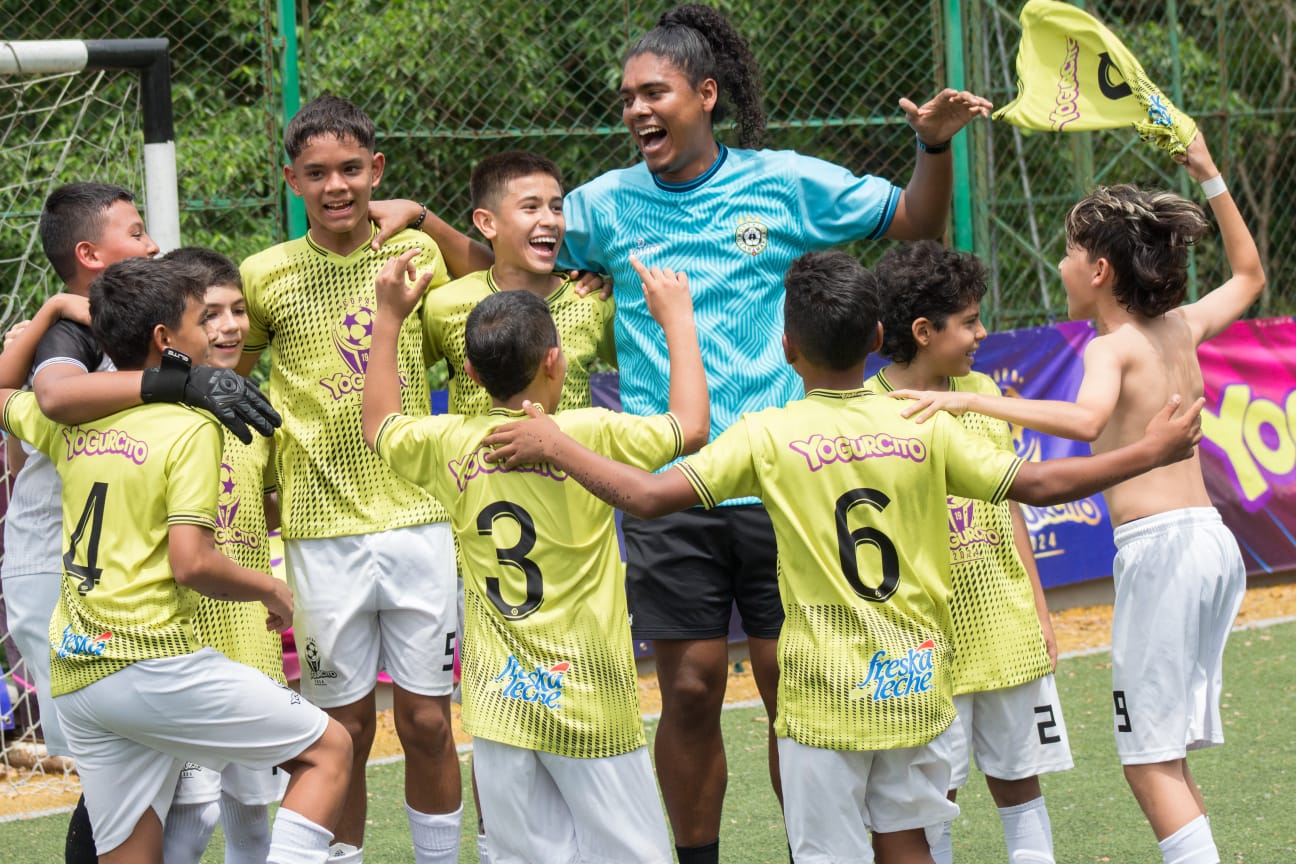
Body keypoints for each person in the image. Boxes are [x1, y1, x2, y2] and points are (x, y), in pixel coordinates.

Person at [369, 6, 993, 857]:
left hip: (784, 478)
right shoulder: (604, 204)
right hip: (668, 483)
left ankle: (818, 848)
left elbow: (914, 222)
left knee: (791, 685)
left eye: (653, 92)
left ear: (704, 95)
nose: (635, 110)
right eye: (626, 97)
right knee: (692, 687)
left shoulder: (783, 181)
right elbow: (508, 252)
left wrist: (933, 146)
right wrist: (430, 223)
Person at [482, 249, 1203, 863]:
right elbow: (1042, 484)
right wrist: (1150, 450)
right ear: (881, 335)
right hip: (915, 684)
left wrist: (556, 444)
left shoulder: (767, 435)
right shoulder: (924, 422)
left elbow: (643, 498)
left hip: (825, 698)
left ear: (787, 349)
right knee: (906, 844)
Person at [889, 131, 1264, 864]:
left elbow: (1087, 421)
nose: (1059, 265)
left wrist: (976, 407)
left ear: (1097, 270)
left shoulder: (1111, 346)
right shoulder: (1180, 327)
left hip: (1161, 551)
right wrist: (1212, 173)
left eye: (1066, 254)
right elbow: (1248, 273)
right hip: (1214, 544)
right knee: (1167, 754)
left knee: (1146, 761)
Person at [0, 255, 351, 864]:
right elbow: (192, 563)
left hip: (79, 671)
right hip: (150, 661)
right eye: (200, 317)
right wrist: (268, 588)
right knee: (330, 750)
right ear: (167, 339)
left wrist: (50, 310)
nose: (216, 329)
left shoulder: (67, 418)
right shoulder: (190, 426)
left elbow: (7, 392)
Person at [362, 249, 705, 864]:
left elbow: (381, 425)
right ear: (555, 361)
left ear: (467, 371)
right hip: (590, 699)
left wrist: (388, 320)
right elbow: (690, 427)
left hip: (502, 704)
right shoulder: (592, 432)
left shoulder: (448, 443)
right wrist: (677, 320)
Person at [235, 94, 486, 864]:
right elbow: (237, 385)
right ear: (292, 180)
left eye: (351, 168)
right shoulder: (262, 275)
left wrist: (427, 218)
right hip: (318, 533)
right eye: (316, 173)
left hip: (418, 517)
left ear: (375, 169)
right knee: (340, 730)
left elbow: (491, 278)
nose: (336, 185)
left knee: (428, 721)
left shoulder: (418, 255)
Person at [418, 148, 616, 862]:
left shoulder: (592, 301)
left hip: (578, 538)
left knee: (583, 694)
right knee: (498, 696)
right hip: (478, 536)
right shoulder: (443, 307)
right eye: (531, 207)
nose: (550, 219)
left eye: (558, 206)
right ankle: (501, 839)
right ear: (487, 222)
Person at [867, 240, 1072, 864]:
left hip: (1005, 631)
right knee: (933, 796)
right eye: (970, 322)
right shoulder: (870, 412)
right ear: (923, 331)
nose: (983, 333)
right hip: (927, 646)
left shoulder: (982, 392)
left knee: (1020, 783)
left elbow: (1008, 505)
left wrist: (1037, 609)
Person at [157, 247, 288, 864]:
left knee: (252, 817)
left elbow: (267, 516)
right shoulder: (153, 415)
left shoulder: (258, 416)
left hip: (250, 643)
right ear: (176, 328)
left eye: (239, 309)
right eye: (211, 314)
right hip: (182, 641)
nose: (232, 325)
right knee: (192, 813)